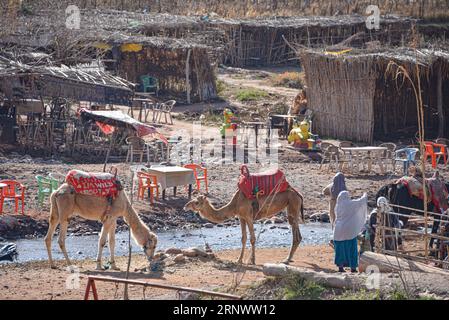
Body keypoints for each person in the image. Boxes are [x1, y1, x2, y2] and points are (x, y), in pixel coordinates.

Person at [333, 191, 368, 273]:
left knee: (340, 250)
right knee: (352, 249)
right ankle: (353, 268)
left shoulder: (337, 206)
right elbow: (361, 201)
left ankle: (340, 267)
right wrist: (365, 194)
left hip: (338, 231)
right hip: (349, 231)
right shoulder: (350, 204)